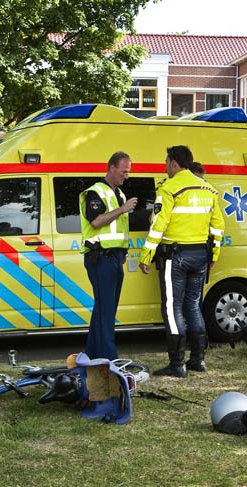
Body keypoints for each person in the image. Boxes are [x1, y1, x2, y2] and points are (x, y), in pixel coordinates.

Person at [139, 146, 225, 377]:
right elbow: (218, 226)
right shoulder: (209, 190)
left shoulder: (169, 189)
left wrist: (146, 255)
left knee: (171, 307)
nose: (165, 166)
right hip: (200, 255)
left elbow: (158, 226)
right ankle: (198, 359)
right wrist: (214, 255)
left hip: (174, 255)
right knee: (193, 305)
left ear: (175, 163)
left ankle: (177, 364)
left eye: (166, 162)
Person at [79, 151, 138, 360]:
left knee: (105, 309)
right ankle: (108, 358)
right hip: (100, 257)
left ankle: (93, 354)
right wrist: (123, 209)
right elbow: (96, 221)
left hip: (113, 257)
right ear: (111, 168)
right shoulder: (96, 192)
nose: (126, 176)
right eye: (124, 171)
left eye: (128, 172)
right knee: (106, 312)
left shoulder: (119, 193)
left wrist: (123, 252)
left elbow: (118, 230)